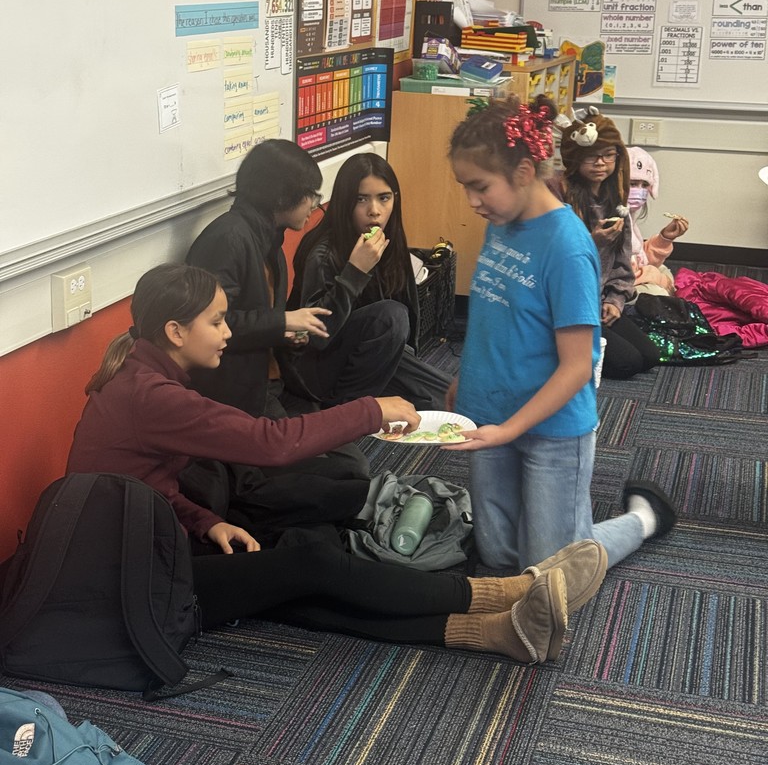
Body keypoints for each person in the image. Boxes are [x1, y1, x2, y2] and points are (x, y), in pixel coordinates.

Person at [65, 262, 609, 665]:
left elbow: (147, 485)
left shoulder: (145, 379)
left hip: (144, 552)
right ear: (176, 333)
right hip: (131, 585)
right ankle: (502, 593)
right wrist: (370, 410)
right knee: (309, 566)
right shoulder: (151, 394)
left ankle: (499, 633)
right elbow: (270, 442)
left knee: (297, 578)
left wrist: (207, 521)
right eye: (218, 321)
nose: (230, 332)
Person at [444, 95, 677, 572]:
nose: (472, 201)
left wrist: (511, 428)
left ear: (525, 172)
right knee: (498, 554)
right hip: (490, 412)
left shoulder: (567, 246)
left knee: (554, 570)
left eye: (480, 186)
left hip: (551, 430)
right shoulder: (503, 221)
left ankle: (644, 519)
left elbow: (576, 366)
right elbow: (493, 317)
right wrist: (464, 383)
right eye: (465, 186)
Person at [185, 138, 369, 532]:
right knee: (344, 477)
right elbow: (207, 328)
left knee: (352, 466)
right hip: (241, 399)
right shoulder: (228, 238)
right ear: (282, 196)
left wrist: (286, 332)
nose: (315, 206)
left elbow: (264, 319)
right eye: (309, 196)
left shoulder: (268, 238)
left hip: (273, 385)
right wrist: (282, 323)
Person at [288, 152, 451, 409]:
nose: (374, 211)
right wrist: (355, 271)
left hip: (371, 357)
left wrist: (409, 362)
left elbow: (408, 312)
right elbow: (315, 336)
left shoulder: (389, 240)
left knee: (453, 398)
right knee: (391, 316)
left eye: (384, 198)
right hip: (316, 371)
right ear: (344, 202)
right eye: (361, 199)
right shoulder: (322, 253)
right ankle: (348, 412)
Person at [552, 107, 661, 380]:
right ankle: (551, 347)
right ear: (574, 157)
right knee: (628, 364)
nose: (601, 163)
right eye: (592, 156)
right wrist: (593, 242)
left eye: (609, 155)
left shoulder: (615, 197)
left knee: (650, 356)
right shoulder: (558, 193)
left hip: (597, 300)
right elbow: (552, 260)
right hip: (566, 306)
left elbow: (622, 263)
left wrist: (614, 300)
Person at [627, 145, 689, 296]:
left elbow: (639, 257)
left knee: (664, 270)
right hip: (614, 289)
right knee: (658, 292)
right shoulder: (613, 218)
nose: (640, 191)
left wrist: (665, 238)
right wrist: (657, 279)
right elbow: (620, 271)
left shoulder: (630, 219)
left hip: (633, 273)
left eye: (645, 185)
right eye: (633, 184)